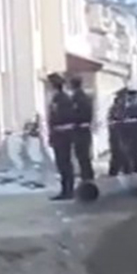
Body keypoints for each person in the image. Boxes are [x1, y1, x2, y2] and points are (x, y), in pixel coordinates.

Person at [46, 73, 77, 201]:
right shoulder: (58, 98)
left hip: (63, 135)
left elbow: (63, 118)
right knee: (62, 163)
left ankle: (68, 190)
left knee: (65, 163)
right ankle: (66, 189)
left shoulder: (62, 99)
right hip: (59, 134)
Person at [68, 76, 96, 185]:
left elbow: (75, 114)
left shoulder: (77, 98)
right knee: (84, 155)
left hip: (79, 129)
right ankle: (88, 175)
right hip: (85, 129)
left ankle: (86, 176)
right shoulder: (85, 97)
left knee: (82, 154)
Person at [106, 88, 132, 176]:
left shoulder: (122, 107)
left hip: (122, 137)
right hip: (118, 136)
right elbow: (116, 121)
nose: (126, 99)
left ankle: (124, 173)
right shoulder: (117, 108)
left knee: (121, 158)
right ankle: (117, 174)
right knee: (120, 156)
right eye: (124, 97)